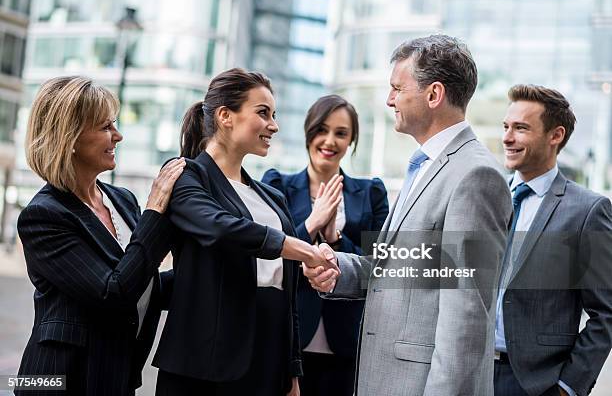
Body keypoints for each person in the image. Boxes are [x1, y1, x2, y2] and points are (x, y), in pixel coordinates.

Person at [306, 34, 513, 395]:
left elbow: (466, 314)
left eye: (397, 88)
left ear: (433, 95)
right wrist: (340, 268)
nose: (389, 99)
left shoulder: (475, 176)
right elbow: (395, 266)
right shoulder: (423, 166)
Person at [152, 68, 336, 396]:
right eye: (263, 113)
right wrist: (303, 248)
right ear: (225, 116)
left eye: (274, 115)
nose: (274, 125)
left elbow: (288, 292)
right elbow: (221, 228)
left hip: (267, 364)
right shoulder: (186, 176)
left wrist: (292, 370)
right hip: (204, 366)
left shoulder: (271, 197)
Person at [16, 76, 185, 396]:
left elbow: (147, 286)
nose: (118, 135)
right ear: (71, 137)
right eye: (106, 127)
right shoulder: (44, 216)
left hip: (116, 377)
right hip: (58, 382)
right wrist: (155, 214)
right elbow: (115, 293)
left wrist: (219, 268)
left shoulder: (121, 199)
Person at [262, 95, 389, 396]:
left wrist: (335, 240)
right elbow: (267, 258)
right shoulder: (277, 185)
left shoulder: (372, 193)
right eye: (322, 129)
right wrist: (310, 224)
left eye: (341, 133)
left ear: (351, 141)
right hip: (287, 340)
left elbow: (382, 268)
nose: (330, 141)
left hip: (347, 342)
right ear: (308, 132)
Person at [494, 84, 612, 396]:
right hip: (470, 374)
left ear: (555, 135)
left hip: (535, 384)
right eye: (506, 127)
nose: (507, 138)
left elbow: (606, 312)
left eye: (520, 128)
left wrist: (567, 387)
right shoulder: (488, 196)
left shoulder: (588, 211)